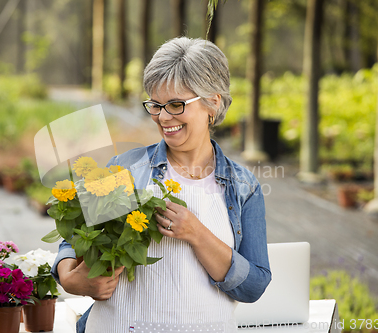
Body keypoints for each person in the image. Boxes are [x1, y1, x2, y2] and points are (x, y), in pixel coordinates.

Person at [51, 37, 271, 333]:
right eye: (155, 105)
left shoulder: (244, 186)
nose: (163, 117)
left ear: (212, 102)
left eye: (176, 104)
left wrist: (196, 233)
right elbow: (72, 242)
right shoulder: (128, 168)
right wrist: (71, 280)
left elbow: (254, 286)